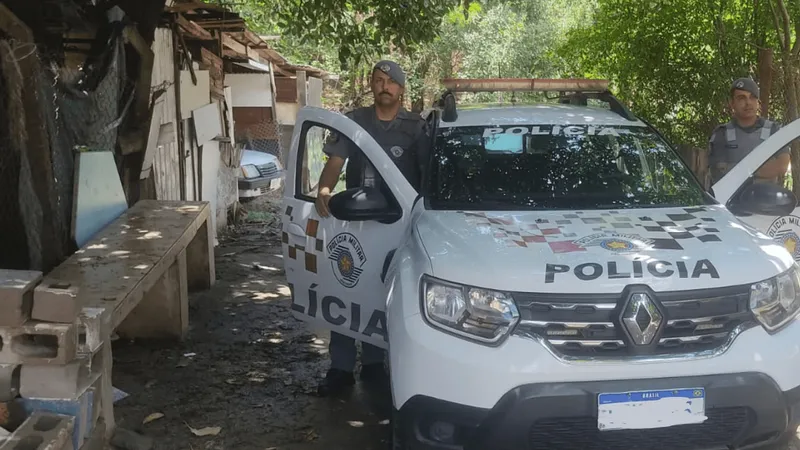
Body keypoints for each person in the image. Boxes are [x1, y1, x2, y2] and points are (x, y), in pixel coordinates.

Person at [313, 60, 430, 396]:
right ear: (372, 85)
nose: (384, 86)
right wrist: (324, 189)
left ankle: (376, 366)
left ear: (401, 89)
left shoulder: (416, 127)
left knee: (385, 293)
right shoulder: (355, 122)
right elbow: (335, 162)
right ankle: (341, 368)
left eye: (391, 82)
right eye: (378, 81)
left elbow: (426, 175)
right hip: (356, 223)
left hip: (399, 224)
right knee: (348, 287)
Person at [708, 77, 790, 185]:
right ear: (732, 103)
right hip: (733, 201)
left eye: (752, 97)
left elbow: (782, 166)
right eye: (742, 98)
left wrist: (739, 169)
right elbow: (720, 173)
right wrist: (763, 169)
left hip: (768, 199)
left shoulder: (773, 130)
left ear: (758, 102)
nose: (748, 102)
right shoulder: (721, 134)